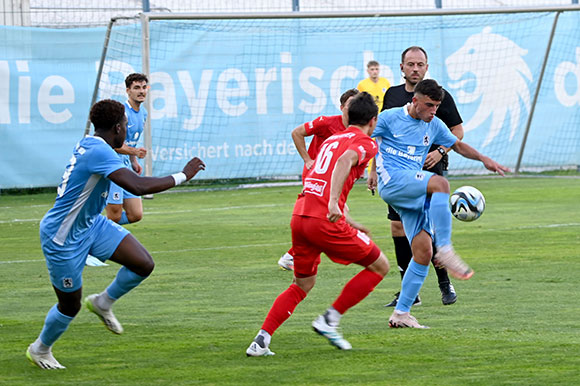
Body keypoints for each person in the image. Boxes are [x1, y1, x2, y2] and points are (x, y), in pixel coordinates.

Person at [26, 99, 205, 370]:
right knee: (69, 305)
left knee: (143, 264)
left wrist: (130, 159)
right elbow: (137, 186)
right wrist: (183, 175)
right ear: (119, 127)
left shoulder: (93, 142)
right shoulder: (99, 152)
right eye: (125, 124)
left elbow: (120, 169)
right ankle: (40, 349)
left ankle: (103, 302)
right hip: (62, 237)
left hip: (91, 225)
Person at [247, 92, 390, 356]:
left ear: (348, 116)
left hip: (300, 216)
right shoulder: (367, 143)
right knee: (380, 266)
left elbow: (321, 184)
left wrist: (349, 219)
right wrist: (334, 204)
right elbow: (346, 162)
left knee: (302, 284)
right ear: (373, 120)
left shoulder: (331, 140)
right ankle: (330, 320)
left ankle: (261, 340)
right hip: (323, 220)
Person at [368, 79, 509, 328]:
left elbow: (458, 144)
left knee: (423, 253)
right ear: (415, 101)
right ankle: (445, 246)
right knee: (440, 184)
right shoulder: (390, 118)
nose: (433, 111)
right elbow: (363, 136)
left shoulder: (433, 124)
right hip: (392, 182)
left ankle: (401, 314)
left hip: (410, 190)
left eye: (437, 106)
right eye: (429, 105)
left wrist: (484, 159)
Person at [382, 46, 465, 307]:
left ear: (426, 67)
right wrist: (373, 171)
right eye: (411, 64)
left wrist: (440, 152)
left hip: (429, 170)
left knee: (428, 230)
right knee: (398, 228)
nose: (415, 68)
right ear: (402, 67)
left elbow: (458, 132)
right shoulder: (392, 96)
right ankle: (410, 291)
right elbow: (380, 135)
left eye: (420, 64)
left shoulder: (440, 96)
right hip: (397, 173)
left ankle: (444, 283)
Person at [277, 88, 360, 271]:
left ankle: (295, 255)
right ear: (341, 107)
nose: (353, 108)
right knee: (326, 217)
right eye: (349, 105)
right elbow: (297, 133)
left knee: (326, 217)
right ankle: (293, 256)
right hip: (317, 178)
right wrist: (307, 159)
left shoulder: (358, 130)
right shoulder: (326, 122)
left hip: (335, 180)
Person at [105, 73, 149, 225]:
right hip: (113, 167)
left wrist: (134, 160)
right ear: (128, 91)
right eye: (136, 88)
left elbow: (130, 142)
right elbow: (113, 144)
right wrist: (135, 152)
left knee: (135, 214)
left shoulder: (143, 113)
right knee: (114, 216)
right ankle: (93, 234)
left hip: (126, 165)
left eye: (144, 87)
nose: (141, 91)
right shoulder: (121, 113)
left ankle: (94, 227)